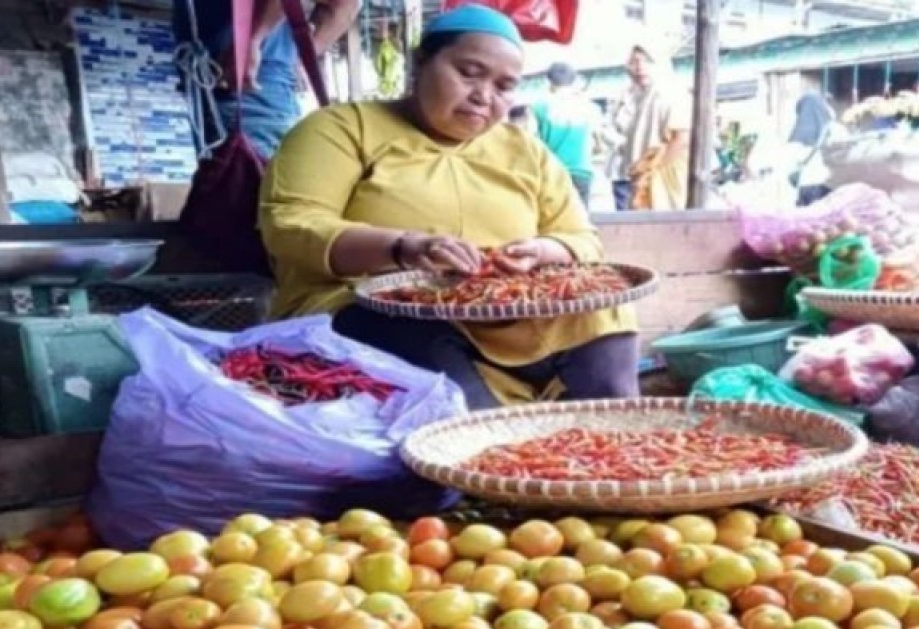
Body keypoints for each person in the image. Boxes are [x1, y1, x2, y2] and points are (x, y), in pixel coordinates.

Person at [259, 4, 640, 411]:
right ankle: (478, 451)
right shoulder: (341, 128)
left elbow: (581, 239)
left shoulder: (526, 150)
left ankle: (613, 432)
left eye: (504, 86)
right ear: (420, 63)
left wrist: (544, 251)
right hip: (370, 310)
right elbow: (291, 224)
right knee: (409, 330)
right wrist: (402, 248)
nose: (483, 96)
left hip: (506, 311)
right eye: (469, 73)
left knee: (605, 311)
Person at [173, 0, 360, 158]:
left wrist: (253, 39)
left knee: (247, 187)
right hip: (218, 87)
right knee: (233, 187)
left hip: (250, 88)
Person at [604, 39, 691, 211]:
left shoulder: (671, 93)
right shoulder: (634, 96)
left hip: (665, 175)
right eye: (635, 61)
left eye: (647, 61)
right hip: (642, 175)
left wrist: (653, 171)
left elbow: (681, 138)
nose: (640, 67)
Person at [530, 62, 601, 207]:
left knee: (551, 220)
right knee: (580, 222)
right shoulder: (589, 107)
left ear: (548, 82)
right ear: (574, 82)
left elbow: (531, 140)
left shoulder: (539, 107)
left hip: (552, 172)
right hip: (581, 172)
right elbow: (598, 142)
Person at [787, 88, 836, 207]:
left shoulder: (796, 139)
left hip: (805, 188)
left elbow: (790, 172)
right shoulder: (833, 130)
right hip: (831, 185)